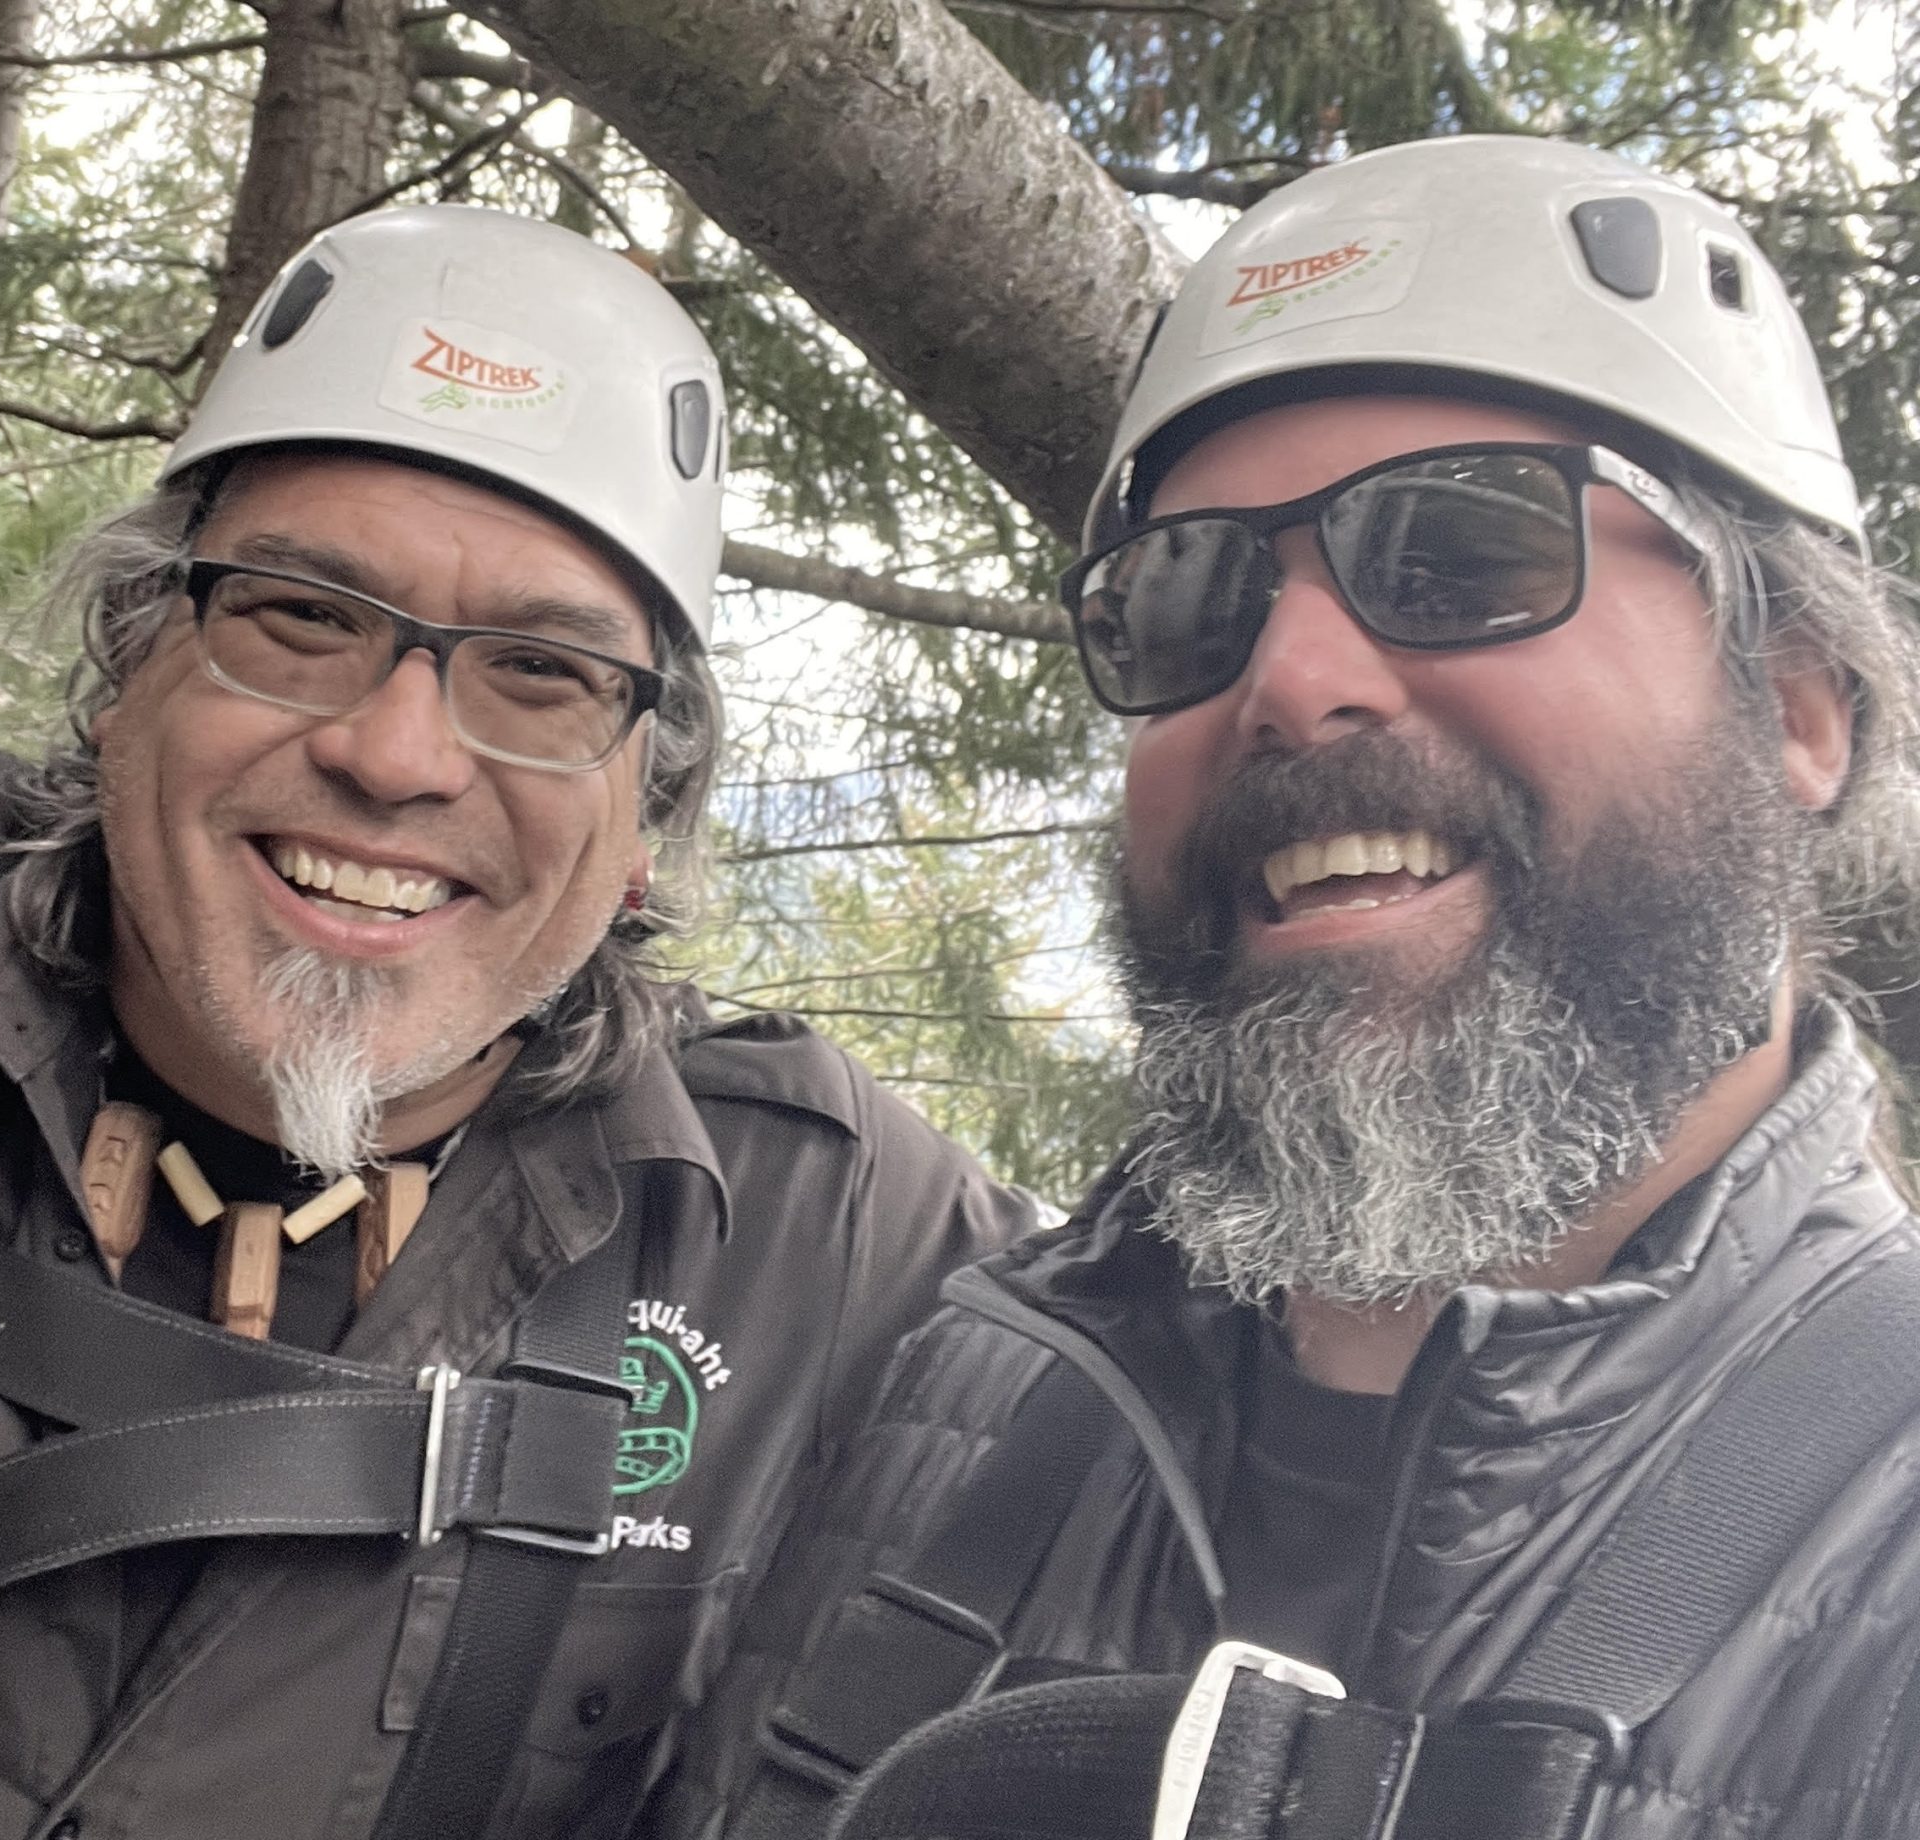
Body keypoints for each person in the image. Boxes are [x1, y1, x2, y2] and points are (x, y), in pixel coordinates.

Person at [0, 8, 1038, 1837]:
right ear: (124, 673)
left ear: (647, 824)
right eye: (302, 616)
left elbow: (1297, 1385)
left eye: (543, 677)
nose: (395, 755)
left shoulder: (815, 1228)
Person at [652, 135, 1920, 1840]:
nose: (1292, 679)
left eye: (1462, 550)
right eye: (1193, 601)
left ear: (1798, 704)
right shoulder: (960, 1389)